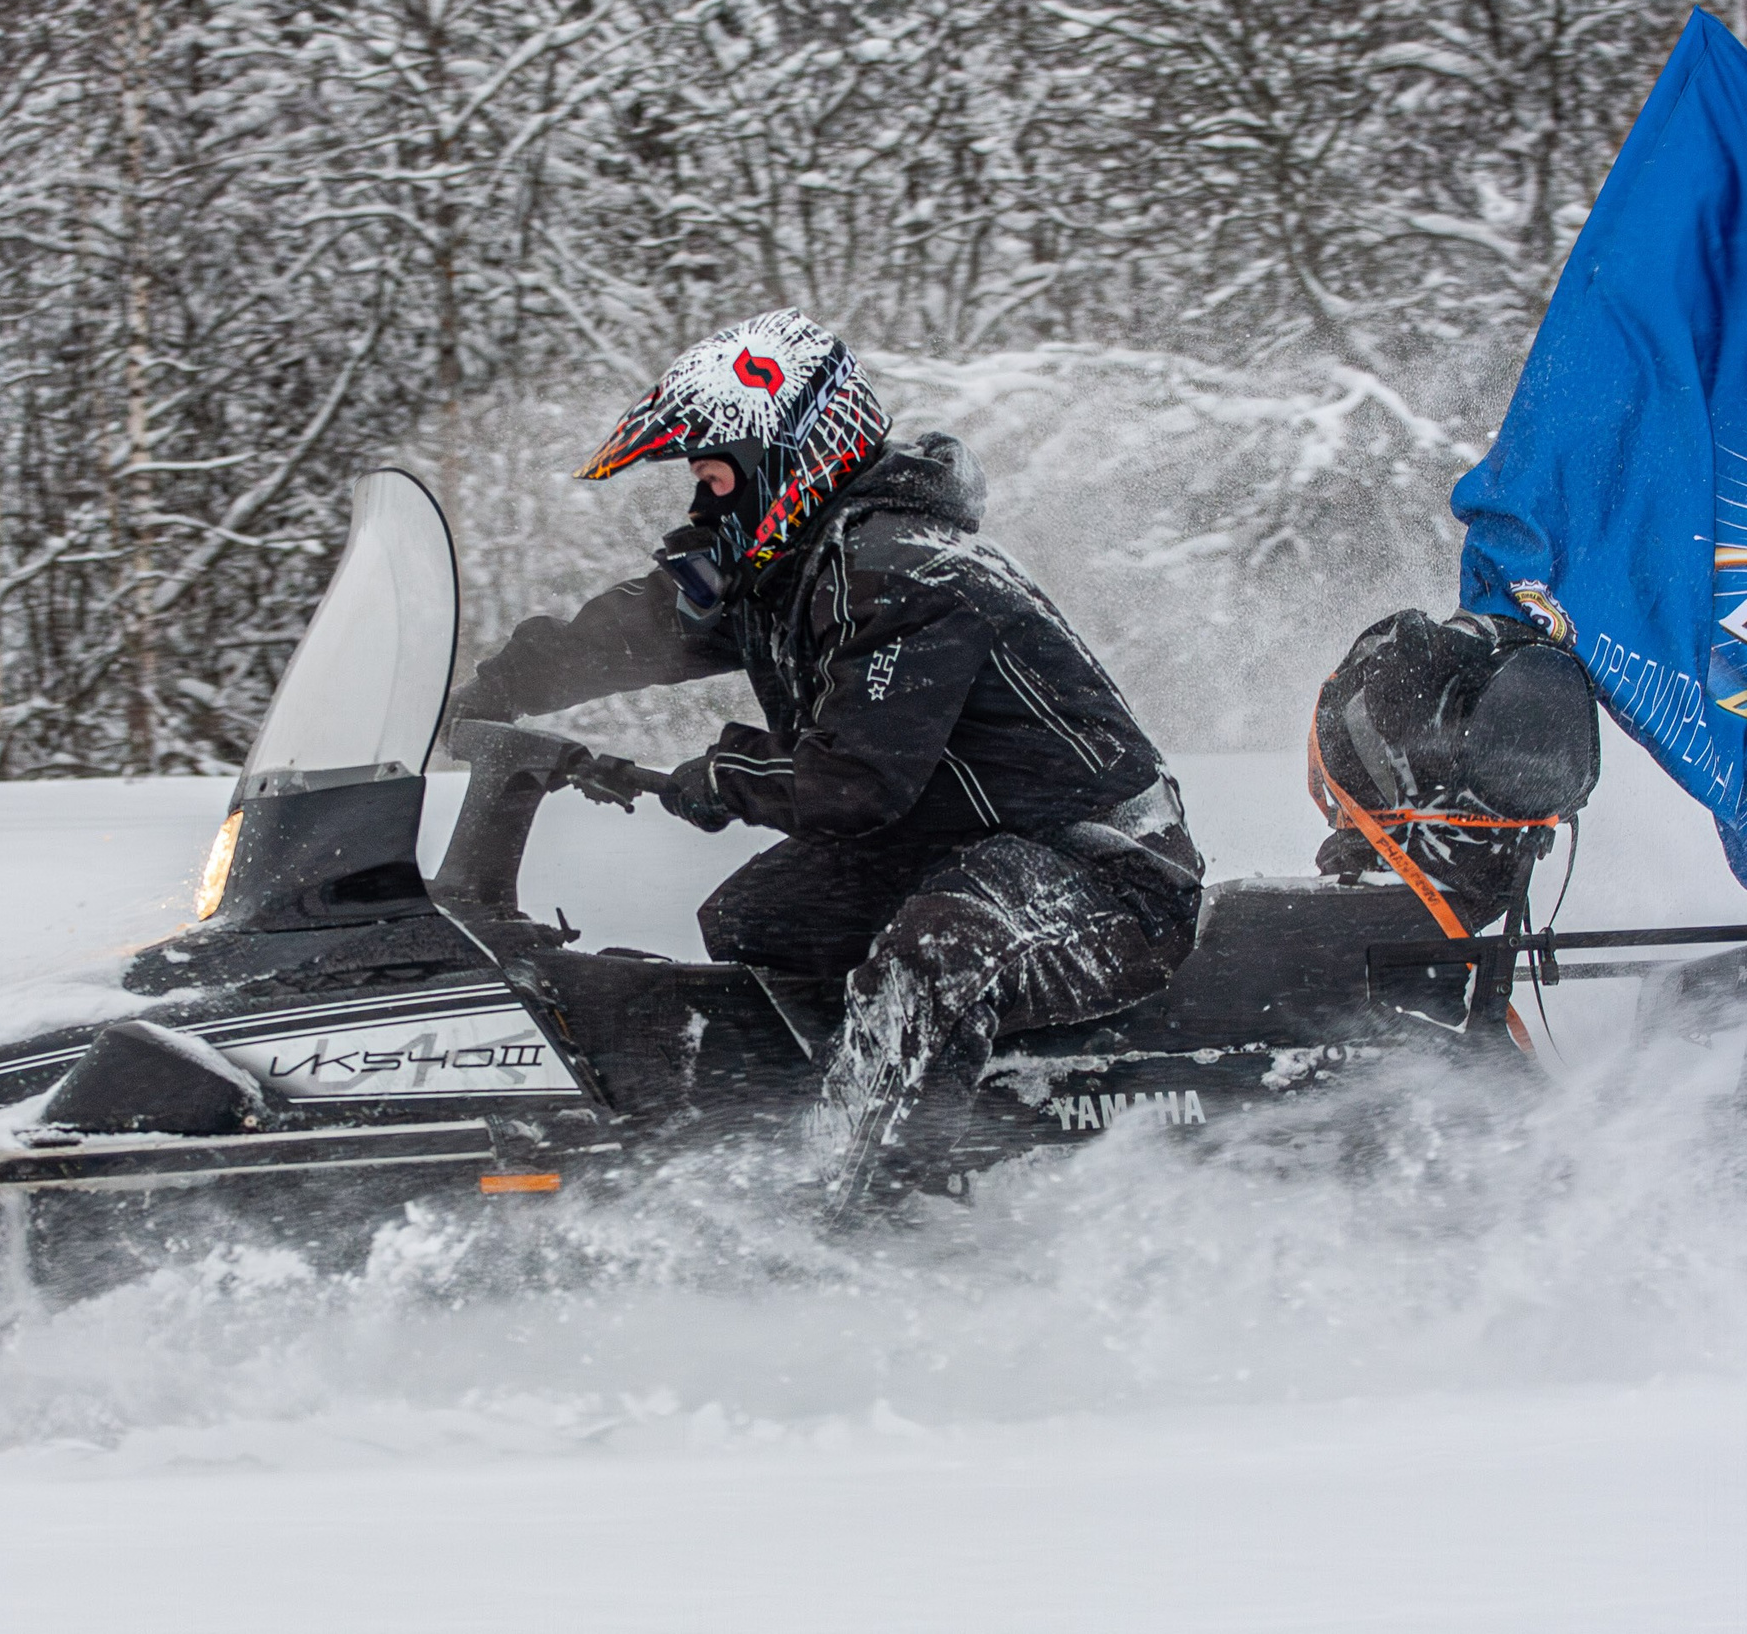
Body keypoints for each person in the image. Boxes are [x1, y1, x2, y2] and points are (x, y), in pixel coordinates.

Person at [449, 308, 1205, 1208]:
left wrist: (726, 774)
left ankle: (871, 1212)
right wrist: (488, 694)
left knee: (933, 958)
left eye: (716, 479)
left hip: (1104, 870)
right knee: (756, 916)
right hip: (966, 845)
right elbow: (639, 627)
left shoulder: (906, 570)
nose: (703, 506)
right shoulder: (791, 569)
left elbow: (852, 783)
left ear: (788, 453)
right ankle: (801, 1139)